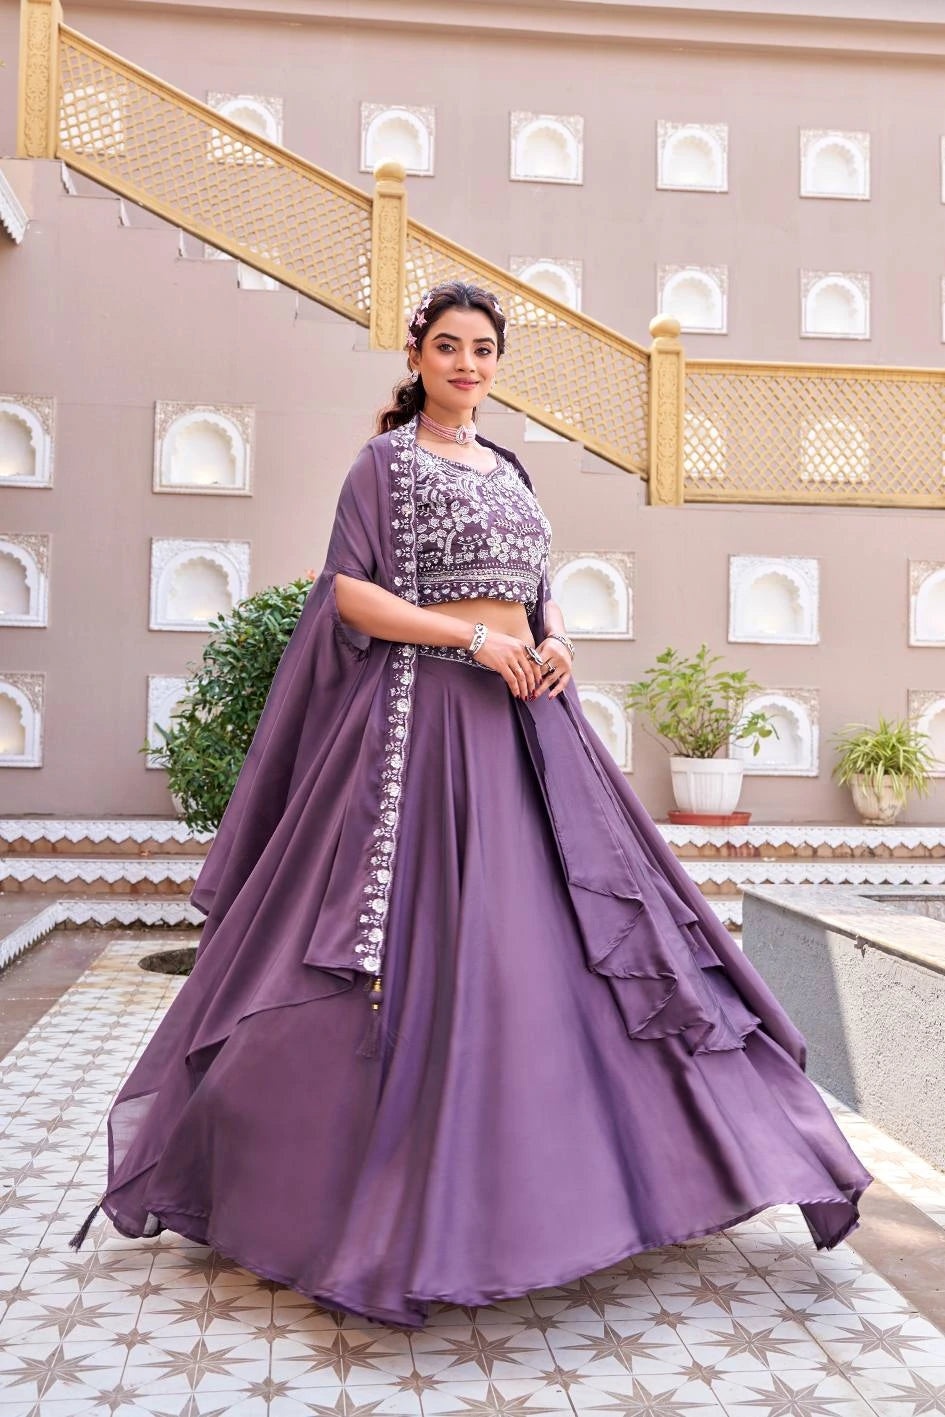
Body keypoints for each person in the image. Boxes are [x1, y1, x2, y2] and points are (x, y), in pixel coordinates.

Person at [70, 279, 871, 1331]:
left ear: (498, 364)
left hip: (528, 731)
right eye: (447, 346)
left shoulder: (512, 469)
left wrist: (554, 644)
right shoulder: (385, 463)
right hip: (423, 728)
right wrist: (472, 641)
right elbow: (349, 591)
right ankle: (363, 1207)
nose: (466, 364)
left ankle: (586, 1195)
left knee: (580, 952)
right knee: (423, 955)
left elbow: (540, 595)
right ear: (417, 357)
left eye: (483, 349)